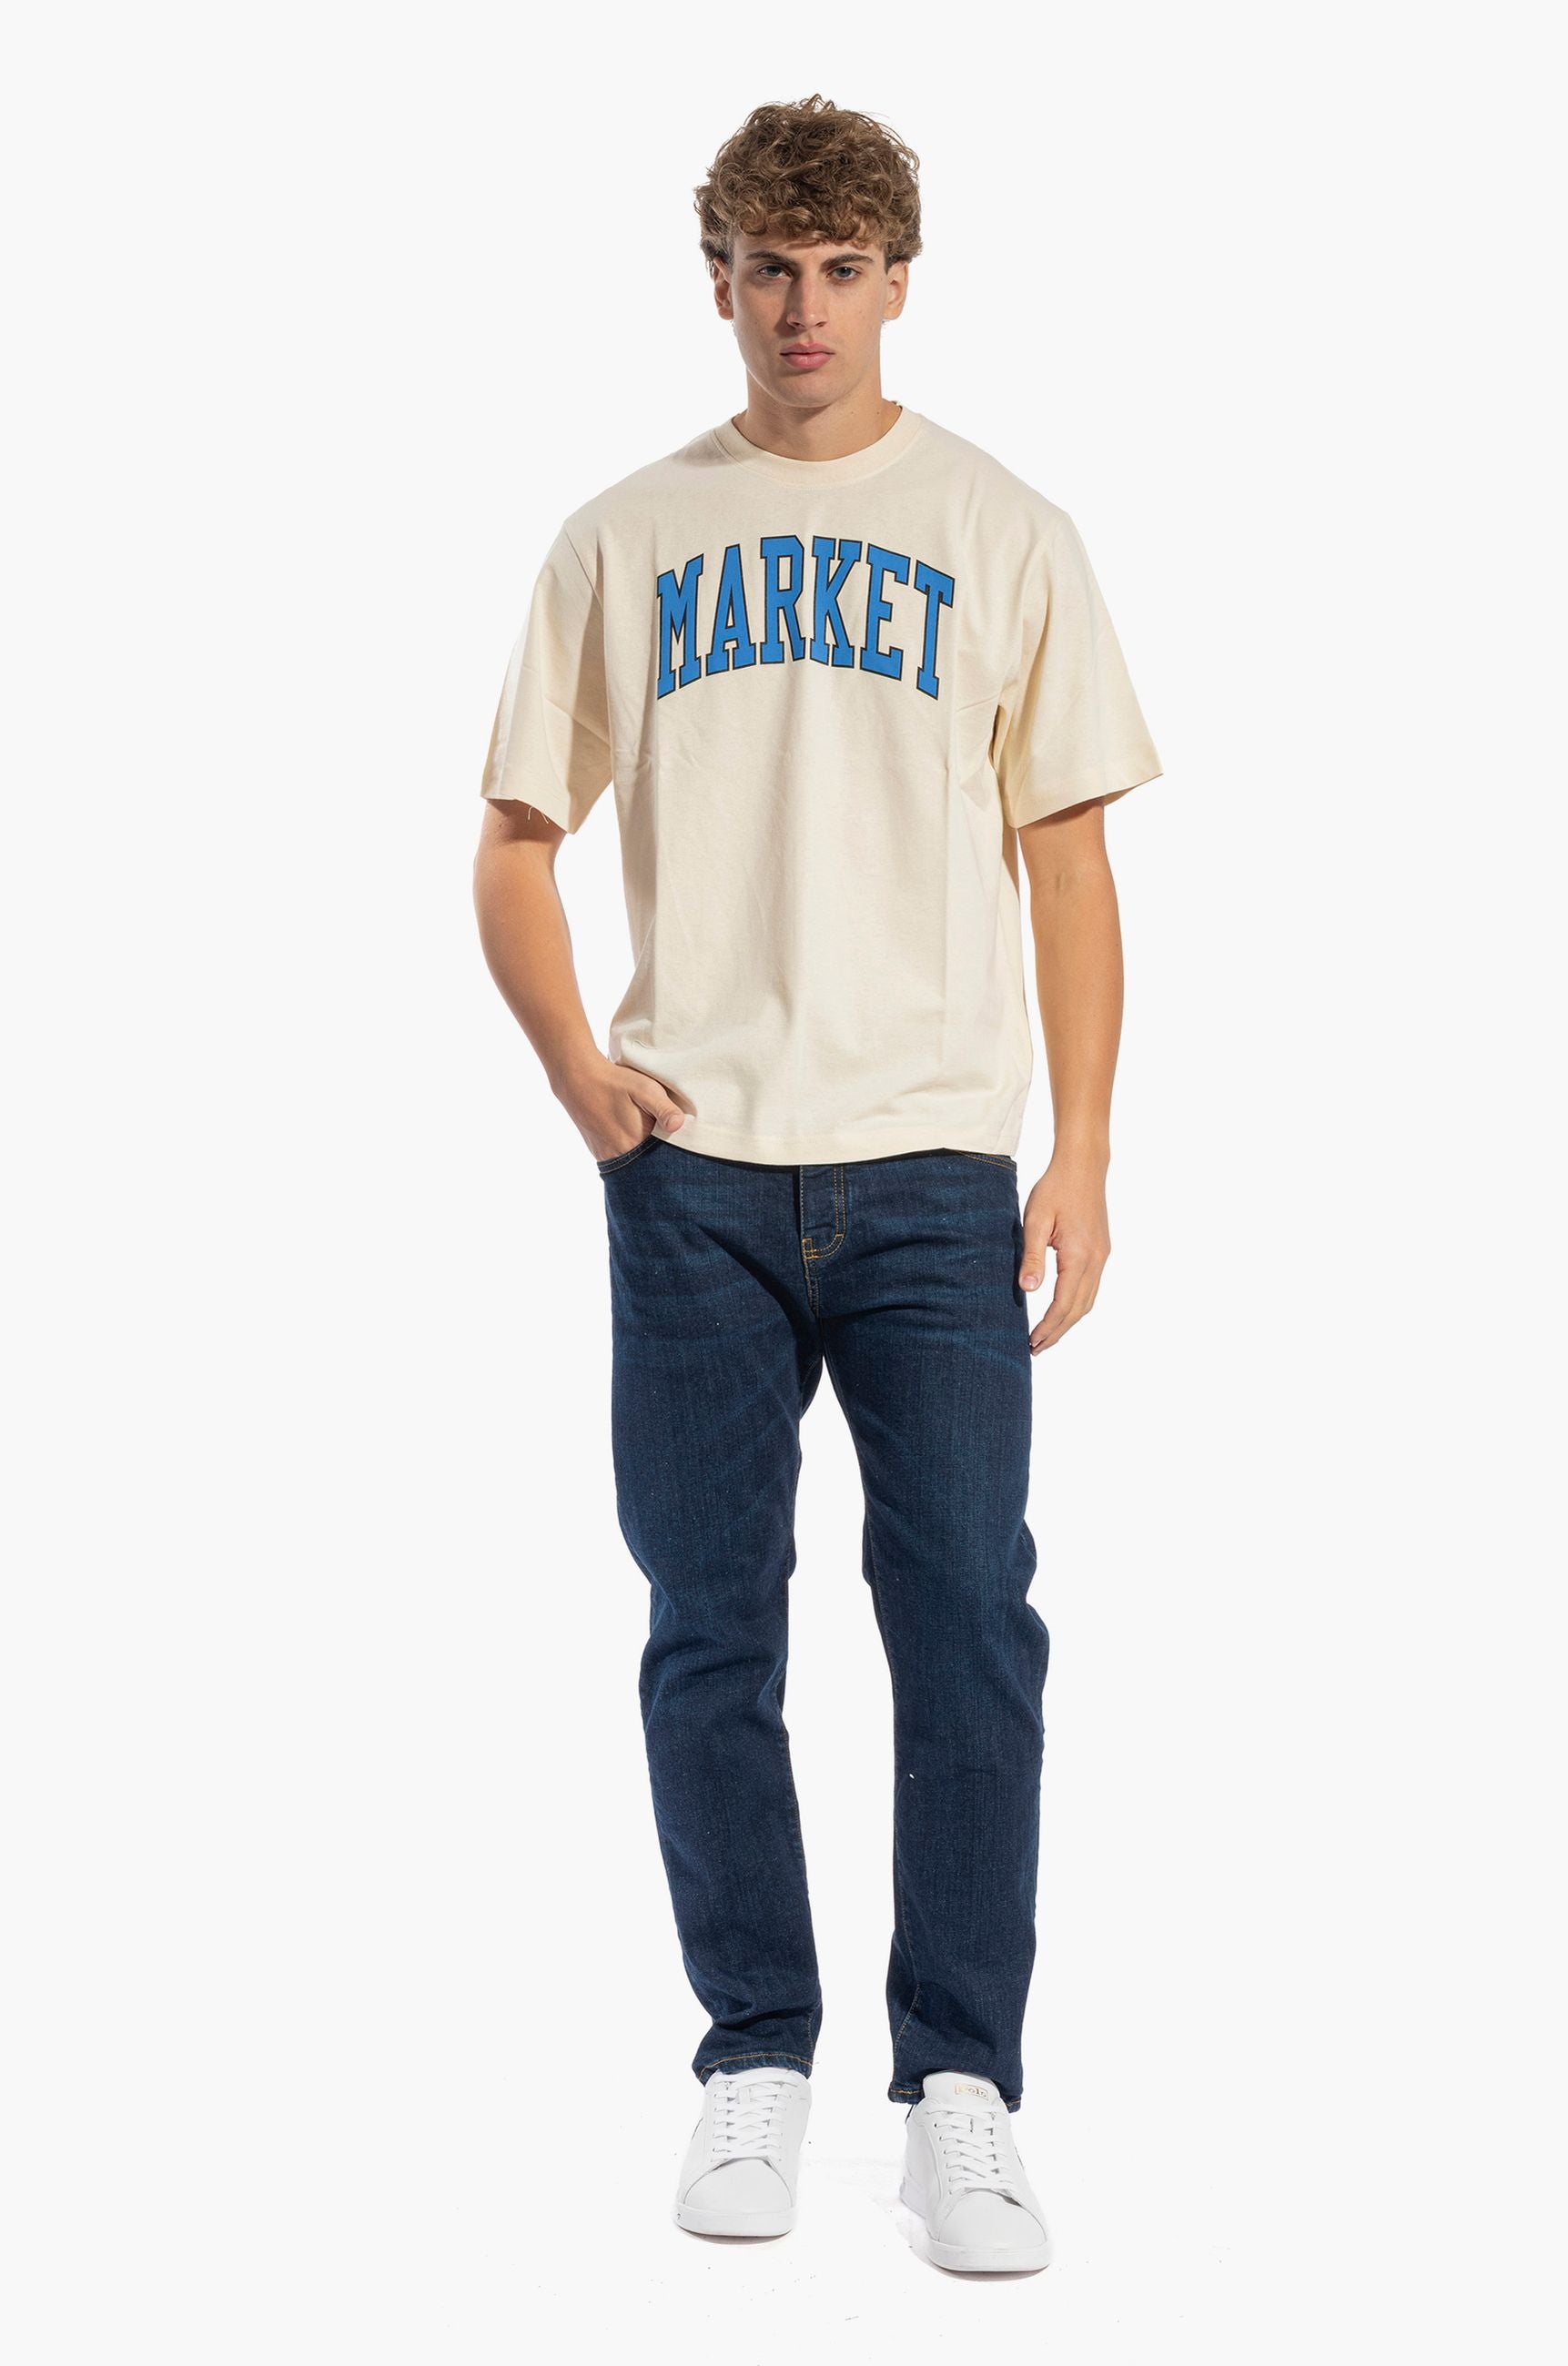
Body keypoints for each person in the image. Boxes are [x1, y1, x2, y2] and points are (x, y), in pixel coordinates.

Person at [471, 94, 1161, 2276]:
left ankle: (963, 2082)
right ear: (718, 282)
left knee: (966, 1622)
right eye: (770, 267)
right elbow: (515, 840)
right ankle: (752, 2049)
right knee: (711, 1629)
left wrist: (1082, 1147)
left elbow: (1070, 859)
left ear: (898, 283)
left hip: (936, 1168)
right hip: (692, 1174)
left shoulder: (1003, 529)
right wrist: (582, 1076)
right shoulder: (622, 539)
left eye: (843, 268)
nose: (804, 309)